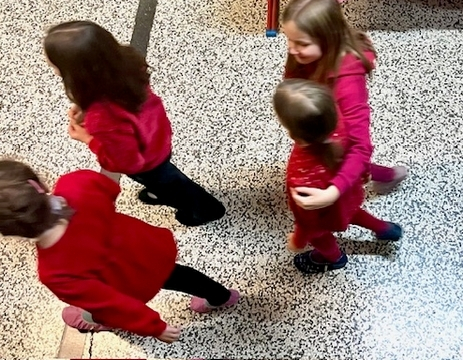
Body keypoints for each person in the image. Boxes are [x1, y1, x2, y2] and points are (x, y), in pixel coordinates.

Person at [0, 158, 239, 338]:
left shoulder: (54, 273)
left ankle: (96, 322)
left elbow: (109, 304)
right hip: (149, 251)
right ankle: (221, 297)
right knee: (181, 276)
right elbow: (109, 186)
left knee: (99, 310)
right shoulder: (76, 185)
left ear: (10, 232)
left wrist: (154, 327)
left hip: (127, 285)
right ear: (36, 184)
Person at [43, 20, 225, 227]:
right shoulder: (127, 63)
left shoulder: (101, 118)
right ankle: (166, 192)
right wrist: (85, 107)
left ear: (77, 73)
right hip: (158, 136)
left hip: (147, 162)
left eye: (55, 66)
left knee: (172, 187)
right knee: (169, 179)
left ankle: (206, 210)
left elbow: (128, 163)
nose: (54, 69)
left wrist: (88, 139)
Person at [281, 0, 408, 214]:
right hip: (319, 122)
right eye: (288, 39)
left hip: (338, 132)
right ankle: (388, 174)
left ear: (327, 39)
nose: (291, 48)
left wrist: (334, 191)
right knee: (333, 160)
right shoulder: (304, 51)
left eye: (301, 43)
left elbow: (360, 146)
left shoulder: (349, 83)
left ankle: (389, 176)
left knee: (346, 161)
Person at [273, 80, 402, 274]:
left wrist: (297, 241)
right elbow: (357, 155)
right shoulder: (342, 123)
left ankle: (333, 258)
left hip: (326, 216)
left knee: (320, 238)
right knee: (353, 212)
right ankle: (384, 229)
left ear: (294, 135)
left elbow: (308, 223)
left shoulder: (300, 176)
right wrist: (365, 174)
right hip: (349, 194)